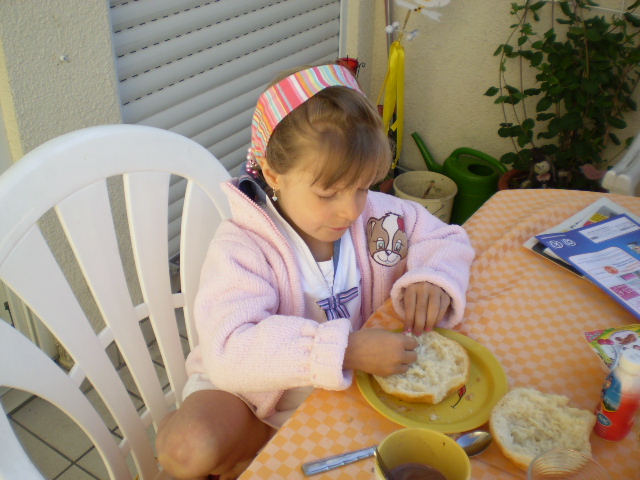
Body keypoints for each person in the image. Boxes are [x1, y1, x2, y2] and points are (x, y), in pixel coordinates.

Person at [156, 63, 475, 479]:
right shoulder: (243, 246)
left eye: (363, 186)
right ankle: (254, 450)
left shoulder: (381, 217)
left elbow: (445, 238)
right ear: (273, 174)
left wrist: (432, 277)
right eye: (328, 193)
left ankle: (273, 455)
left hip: (344, 390)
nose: (351, 210)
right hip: (250, 396)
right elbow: (228, 348)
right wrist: (346, 350)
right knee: (187, 450)